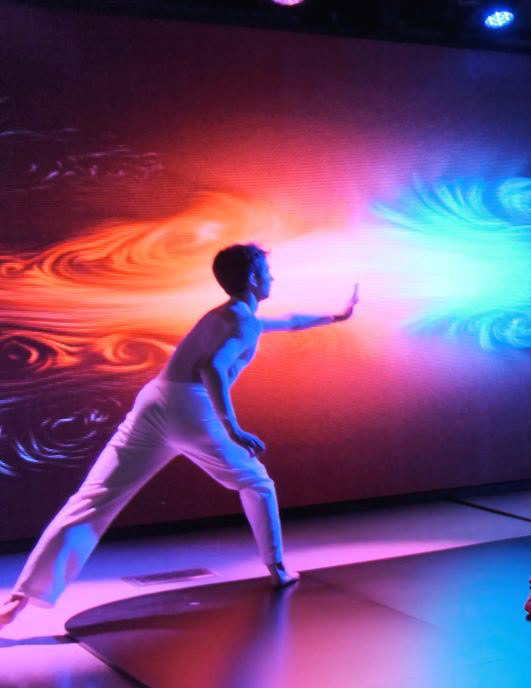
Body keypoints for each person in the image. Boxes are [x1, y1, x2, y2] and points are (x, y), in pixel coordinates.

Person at [0, 244, 357, 629]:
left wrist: (336, 315)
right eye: (267, 272)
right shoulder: (243, 322)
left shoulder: (227, 314)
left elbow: (288, 321)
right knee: (258, 483)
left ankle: (20, 598)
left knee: (94, 498)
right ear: (254, 278)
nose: (273, 277)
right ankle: (279, 569)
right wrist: (232, 427)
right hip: (190, 406)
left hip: (154, 401)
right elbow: (212, 367)